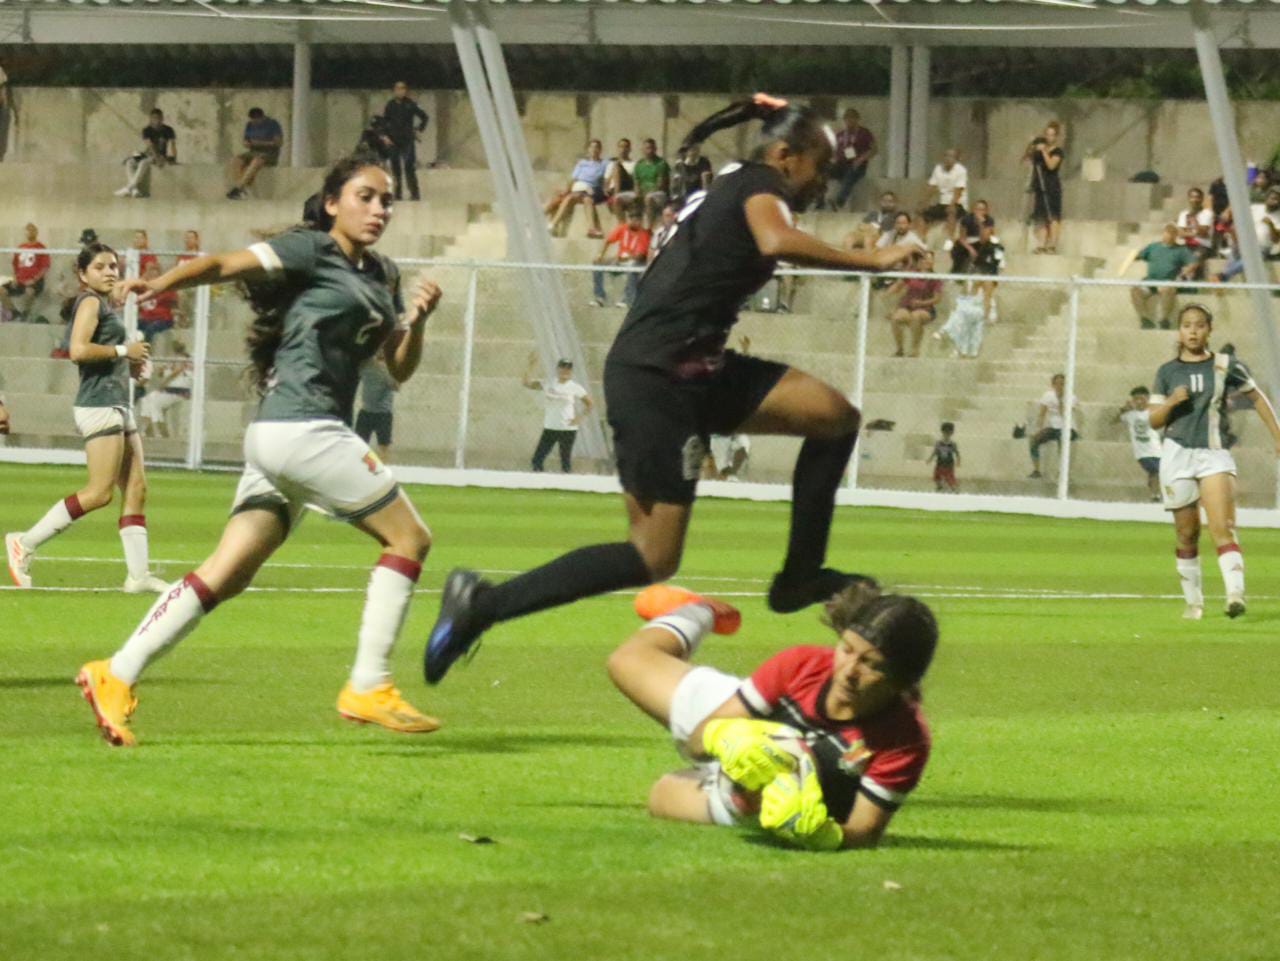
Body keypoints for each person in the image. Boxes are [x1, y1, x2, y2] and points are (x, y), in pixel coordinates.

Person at [424, 93, 916, 685]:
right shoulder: (759, 184)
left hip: (694, 366)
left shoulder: (736, 180)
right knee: (653, 555)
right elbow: (775, 241)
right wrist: (874, 259)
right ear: (786, 156)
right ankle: (483, 604)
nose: (824, 182)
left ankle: (800, 577)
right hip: (659, 377)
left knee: (834, 416)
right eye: (820, 166)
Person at [72, 157, 445, 747]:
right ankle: (369, 684)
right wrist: (161, 283)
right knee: (410, 538)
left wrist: (417, 322)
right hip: (303, 430)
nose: (379, 209)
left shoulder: (383, 274)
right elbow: (226, 263)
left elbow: (395, 368)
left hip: (288, 437)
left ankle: (115, 672)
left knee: (227, 573)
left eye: (387, 200)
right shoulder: (310, 250)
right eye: (366, 196)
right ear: (332, 203)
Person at [606, 580, 936, 850]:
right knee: (627, 661)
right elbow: (695, 744)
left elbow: (864, 832)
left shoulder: (904, 739)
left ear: (901, 679)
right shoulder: (803, 665)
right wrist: (728, 737)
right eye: (846, 649)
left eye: (871, 664)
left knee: (660, 795)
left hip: (755, 804)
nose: (848, 671)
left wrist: (823, 834)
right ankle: (698, 610)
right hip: (746, 717)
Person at [5, 243, 164, 594]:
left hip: (117, 401)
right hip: (99, 404)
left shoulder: (103, 304)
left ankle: (138, 576)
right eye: (100, 267)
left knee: (136, 488)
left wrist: (130, 366)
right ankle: (24, 543)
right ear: (83, 274)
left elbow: (102, 356)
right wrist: (124, 350)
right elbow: (77, 351)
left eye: (113, 266)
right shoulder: (90, 302)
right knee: (99, 493)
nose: (110, 272)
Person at [1147, 304, 1280, 619]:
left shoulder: (1225, 365)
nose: (1193, 331)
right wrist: (1171, 402)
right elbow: (1153, 420)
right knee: (1186, 533)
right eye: (1187, 325)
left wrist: (1277, 433)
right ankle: (1194, 604)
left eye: (1199, 325)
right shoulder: (1167, 372)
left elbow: (1256, 396)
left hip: (1214, 454)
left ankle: (1235, 596)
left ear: (1210, 330)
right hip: (1177, 455)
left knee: (1223, 526)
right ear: (1179, 331)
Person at [1119, 224, 1199, 330]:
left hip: (1168, 282)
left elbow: (1193, 263)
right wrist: (1131, 257)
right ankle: (1145, 319)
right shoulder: (1153, 247)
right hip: (1150, 282)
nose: (1168, 236)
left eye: (1172, 234)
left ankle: (1164, 320)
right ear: (1163, 233)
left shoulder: (1181, 250)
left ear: (1175, 236)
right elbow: (1137, 255)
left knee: (1168, 290)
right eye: (1167, 233)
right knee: (1136, 291)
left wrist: (1187, 270)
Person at [523, 353, 592, 473]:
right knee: (537, 460)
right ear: (558, 369)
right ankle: (540, 481)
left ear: (571, 371)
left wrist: (579, 418)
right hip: (550, 427)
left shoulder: (575, 387)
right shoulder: (548, 383)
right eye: (562, 367)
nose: (565, 370)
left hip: (567, 429)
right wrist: (531, 365)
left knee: (565, 461)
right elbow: (526, 383)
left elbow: (589, 404)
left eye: (568, 368)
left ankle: (566, 482)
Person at [590, 206, 650, 308]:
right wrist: (600, 254)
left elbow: (639, 256)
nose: (634, 222)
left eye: (637, 220)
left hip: (634, 261)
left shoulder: (644, 234)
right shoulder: (622, 228)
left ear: (641, 221)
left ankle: (627, 299)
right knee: (597, 264)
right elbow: (607, 241)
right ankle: (599, 297)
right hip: (619, 260)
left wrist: (627, 258)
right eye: (631, 219)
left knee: (633, 267)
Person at [547, 139, 607, 238]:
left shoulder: (604, 163)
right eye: (591, 147)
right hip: (579, 188)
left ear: (600, 150)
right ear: (588, 149)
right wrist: (566, 190)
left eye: (596, 147)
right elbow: (573, 179)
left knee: (584, 199)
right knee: (564, 197)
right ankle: (552, 224)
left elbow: (604, 179)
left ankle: (592, 229)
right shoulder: (582, 163)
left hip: (592, 189)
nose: (594, 149)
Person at [888, 251, 942, 358]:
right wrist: (888, 296)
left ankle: (914, 349)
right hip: (907, 306)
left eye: (930, 259)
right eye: (925, 259)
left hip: (925, 308)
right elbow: (898, 286)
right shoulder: (912, 273)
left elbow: (937, 299)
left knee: (916, 316)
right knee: (896, 318)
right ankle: (899, 349)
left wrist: (921, 303)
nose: (927, 261)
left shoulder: (935, 278)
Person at [115, 108, 177, 199]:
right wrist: (155, 157)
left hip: (161, 155)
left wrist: (173, 158)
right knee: (129, 161)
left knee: (144, 162)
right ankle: (134, 190)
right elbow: (150, 145)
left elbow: (173, 145)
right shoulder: (146, 130)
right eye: (154, 118)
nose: (157, 120)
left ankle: (129, 188)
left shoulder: (168, 130)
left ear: (162, 118)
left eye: (159, 118)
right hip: (147, 154)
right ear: (150, 119)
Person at [1027, 372, 1080, 479]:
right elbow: (1042, 414)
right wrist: (1038, 429)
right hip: (1053, 428)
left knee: (1062, 438)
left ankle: (1062, 472)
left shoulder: (1072, 397)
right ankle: (1037, 470)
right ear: (1053, 385)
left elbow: (1065, 415)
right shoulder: (1047, 395)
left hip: (1068, 428)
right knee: (1033, 441)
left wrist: (1060, 400)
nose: (1059, 386)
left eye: (1062, 384)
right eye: (1057, 384)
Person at [383, 81, 429, 201]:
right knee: (395, 168)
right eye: (398, 88)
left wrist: (419, 130)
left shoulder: (411, 104)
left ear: (406, 90)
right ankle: (397, 194)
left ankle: (414, 193)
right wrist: (385, 136)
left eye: (403, 88)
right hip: (393, 141)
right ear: (394, 90)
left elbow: (424, 117)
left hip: (407, 141)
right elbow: (385, 121)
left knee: (409, 167)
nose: (400, 91)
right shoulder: (390, 105)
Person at [824, 108, 877, 212]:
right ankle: (819, 200)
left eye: (852, 118)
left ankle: (839, 201)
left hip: (857, 165)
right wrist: (833, 160)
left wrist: (861, 158)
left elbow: (874, 149)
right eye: (847, 119)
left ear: (857, 119)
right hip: (841, 164)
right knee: (824, 171)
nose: (849, 121)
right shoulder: (840, 135)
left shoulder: (864, 133)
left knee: (851, 174)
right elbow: (834, 151)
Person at [139, 339, 193, 439]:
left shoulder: (184, 358)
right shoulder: (172, 360)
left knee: (155, 403)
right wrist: (162, 370)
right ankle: (146, 429)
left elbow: (176, 372)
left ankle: (160, 431)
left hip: (179, 391)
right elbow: (161, 373)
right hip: (168, 390)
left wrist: (163, 383)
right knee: (146, 399)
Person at [1115, 386, 1161, 501]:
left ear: (1148, 398)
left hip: (1157, 450)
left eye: (1141, 398)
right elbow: (1113, 421)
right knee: (1156, 471)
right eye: (1136, 399)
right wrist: (1123, 410)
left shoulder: (1153, 412)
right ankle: (1155, 495)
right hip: (1142, 453)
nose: (1139, 401)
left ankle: (1154, 494)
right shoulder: (1130, 414)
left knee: (1154, 473)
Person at [227, 107, 283, 200]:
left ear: (262, 117)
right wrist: (246, 143)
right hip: (253, 151)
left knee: (256, 161)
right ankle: (240, 187)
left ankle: (240, 187)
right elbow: (246, 140)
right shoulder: (249, 125)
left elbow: (278, 143)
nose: (255, 123)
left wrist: (259, 143)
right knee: (236, 160)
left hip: (269, 153)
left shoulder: (273, 124)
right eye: (253, 121)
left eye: (257, 121)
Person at [1025, 121, 1064, 254]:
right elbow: (1027, 159)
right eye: (1047, 134)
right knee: (1041, 217)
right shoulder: (1039, 150)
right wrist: (1031, 146)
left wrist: (1044, 151)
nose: (1049, 137)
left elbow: (1051, 166)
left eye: (1051, 135)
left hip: (1052, 187)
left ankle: (1052, 245)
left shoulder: (1058, 151)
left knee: (1053, 216)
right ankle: (1041, 244)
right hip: (1039, 186)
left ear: (1056, 137)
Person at [1, 222, 50, 321]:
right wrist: (15, 278)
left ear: (36, 232)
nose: (30, 232)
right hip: (20, 281)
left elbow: (45, 267)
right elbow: (15, 265)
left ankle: (26, 314)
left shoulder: (41, 247)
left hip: (34, 281)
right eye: (28, 230)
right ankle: (15, 312)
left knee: (30, 292)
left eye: (32, 230)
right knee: (1, 289)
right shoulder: (21, 247)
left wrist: (34, 280)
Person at [355, 354, 398, 463]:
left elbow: (396, 386)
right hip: (366, 412)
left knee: (383, 446)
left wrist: (388, 371)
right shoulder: (367, 366)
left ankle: (383, 469)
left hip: (383, 414)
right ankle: (362, 467)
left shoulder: (388, 369)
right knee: (359, 445)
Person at [135, 261, 180, 347]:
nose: (153, 274)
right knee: (132, 325)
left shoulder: (166, 288)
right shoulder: (142, 289)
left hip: (164, 319)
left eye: (155, 271)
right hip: (147, 319)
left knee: (151, 328)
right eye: (150, 271)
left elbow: (174, 304)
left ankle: (145, 350)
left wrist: (176, 315)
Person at [922, 148, 968, 230]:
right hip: (942, 203)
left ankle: (950, 237)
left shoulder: (961, 170)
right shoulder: (938, 168)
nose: (948, 158)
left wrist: (952, 205)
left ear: (956, 159)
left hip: (958, 203)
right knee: (923, 213)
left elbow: (958, 191)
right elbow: (932, 187)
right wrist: (924, 202)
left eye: (951, 156)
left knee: (951, 212)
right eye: (946, 156)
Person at [633, 138, 671, 228]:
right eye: (647, 148)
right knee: (630, 198)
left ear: (655, 149)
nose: (649, 151)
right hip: (643, 192)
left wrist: (646, 193)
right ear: (642, 150)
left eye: (651, 148)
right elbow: (636, 182)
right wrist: (637, 193)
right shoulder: (639, 164)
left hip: (659, 193)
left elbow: (660, 184)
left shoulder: (661, 163)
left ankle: (649, 227)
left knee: (648, 198)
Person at [669, 142, 712, 209]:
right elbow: (675, 184)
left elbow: (706, 181)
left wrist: (705, 196)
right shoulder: (680, 164)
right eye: (691, 149)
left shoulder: (704, 162)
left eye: (695, 149)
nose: (693, 152)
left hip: (699, 194)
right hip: (684, 196)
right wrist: (675, 198)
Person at [605, 138, 638, 222]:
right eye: (621, 147)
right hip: (613, 189)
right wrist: (606, 189)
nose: (623, 149)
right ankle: (622, 226)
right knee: (615, 165)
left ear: (629, 149)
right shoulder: (611, 164)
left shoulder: (634, 164)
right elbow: (607, 181)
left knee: (617, 166)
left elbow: (635, 180)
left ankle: (616, 195)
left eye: (626, 147)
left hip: (626, 187)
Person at [927, 422, 959, 492]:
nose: (946, 434)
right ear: (942, 432)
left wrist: (958, 461)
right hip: (940, 463)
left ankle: (954, 489)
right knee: (937, 477)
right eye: (945, 432)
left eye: (949, 432)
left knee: (950, 478)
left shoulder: (952, 444)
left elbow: (957, 453)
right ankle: (939, 487)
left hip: (949, 464)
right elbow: (935, 452)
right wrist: (930, 459)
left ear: (951, 433)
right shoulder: (939, 443)